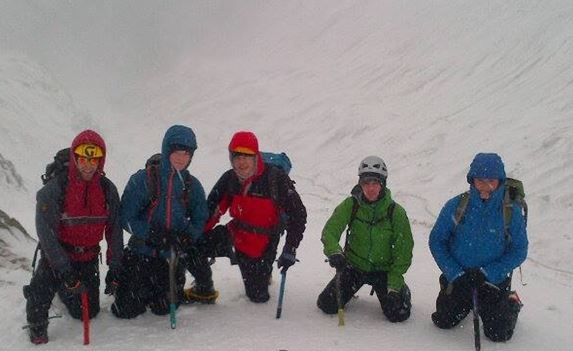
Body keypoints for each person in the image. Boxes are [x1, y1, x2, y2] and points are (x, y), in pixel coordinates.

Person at [23, 130, 123, 344]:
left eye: (93, 159)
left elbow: (114, 231)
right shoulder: (55, 189)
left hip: (86, 258)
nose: (88, 165)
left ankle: (65, 290)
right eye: (83, 159)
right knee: (39, 299)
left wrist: (115, 268)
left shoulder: (107, 190)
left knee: (88, 312)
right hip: (56, 257)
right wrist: (65, 271)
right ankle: (38, 320)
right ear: (75, 158)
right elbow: (46, 234)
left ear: (100, 160)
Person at [112, 125, 214, 319]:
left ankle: (159, 290)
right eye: (176, 152)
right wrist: (151, 234)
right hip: (141, 253)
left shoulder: (192, 185)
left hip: (171, 256)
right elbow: (126, 217)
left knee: (164, 308)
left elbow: (201, 217)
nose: (181, 158)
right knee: (126, 309)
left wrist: (187, 237)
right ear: (167, 150)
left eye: (186, 153)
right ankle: (131, 286)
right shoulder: (143, 180)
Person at [429, 152, 528, 342]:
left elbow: (519, 250)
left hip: (492, 281)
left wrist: (487, 273)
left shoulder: (511, 212)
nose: (485, 187)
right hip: (460, 278)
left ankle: (511, 301)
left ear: (500, 181)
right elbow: (437, 241)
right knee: (443, 320)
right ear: (471, 180)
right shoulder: (457, 205)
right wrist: (455, 273)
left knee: (498, 334)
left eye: (491, 181)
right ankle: (464, 302)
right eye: (479, 181)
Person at [198, 131, 307, 303]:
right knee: (192, 245)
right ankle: (203, 288)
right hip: (235, 235)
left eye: (247, 157)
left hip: (264, 242)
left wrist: (290, 248)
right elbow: (211, 210)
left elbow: (298, 214)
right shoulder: (230, 178)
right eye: (237, 157)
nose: (241, 162)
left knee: (257, 296)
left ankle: (264, 271)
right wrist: (195, 234)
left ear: (256, 157)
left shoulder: (275, 179)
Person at [317, 155, 414, 322]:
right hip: (354, 266)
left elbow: (403, 252)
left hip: (383, 271)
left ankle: (402, 291)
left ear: (383, 184)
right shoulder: (351, 205)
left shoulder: (396, 212)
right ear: (360, 184)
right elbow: (330, 231)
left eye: (375, 183)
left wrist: (394, 285)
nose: (370, 188)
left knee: (398, 314)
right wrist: (334, 252)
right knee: (327, 304)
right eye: (366, 183)